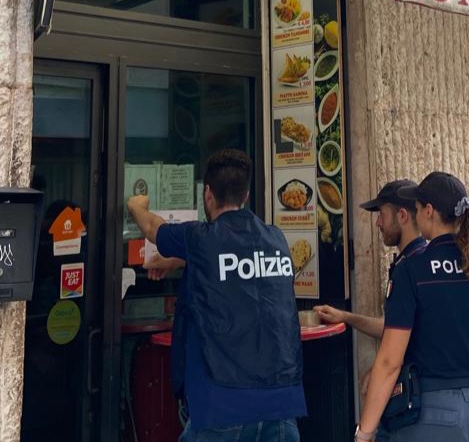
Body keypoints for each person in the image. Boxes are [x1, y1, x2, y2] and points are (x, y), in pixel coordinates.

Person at [127, 148, 306, 442]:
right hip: (282, 404)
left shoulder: (200, 237)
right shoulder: (276, 238)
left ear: (207, 193)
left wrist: (136, 205)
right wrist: (179, 260)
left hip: (223, 403)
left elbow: (151, 227)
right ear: (245, 195)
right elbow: (238, 267)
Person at [355, 172, 469, 442]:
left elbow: (389, 362)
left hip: (429, 416)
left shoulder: (412, 269)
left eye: (418, 207)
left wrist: (364, 432)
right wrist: (468, 371)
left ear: (429, 211)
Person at [314, 179, 426, 340]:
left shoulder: (409, 268)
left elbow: (392, 334)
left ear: (402, 216)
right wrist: (344, 316)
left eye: (382, 215)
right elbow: (390, 326)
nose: (378, 223)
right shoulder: (419, 258)